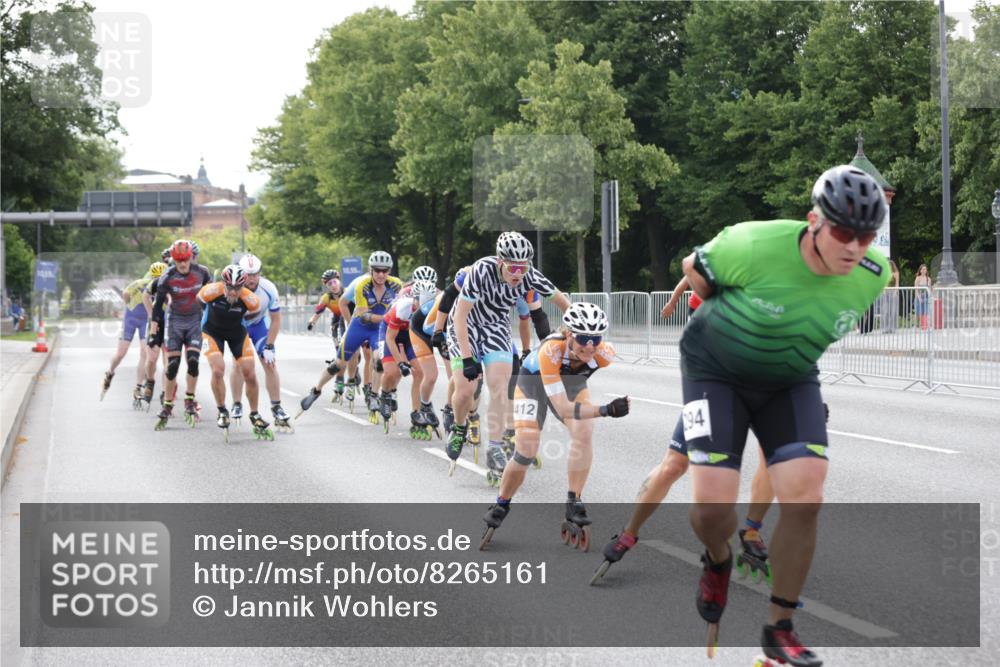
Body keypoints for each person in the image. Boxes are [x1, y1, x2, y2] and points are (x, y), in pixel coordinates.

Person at [679, 165, 890, 667]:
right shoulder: (752, 243)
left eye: (865, 236)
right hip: (714, 372)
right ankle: (718, 558)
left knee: (806, 495)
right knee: (712, 509)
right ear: (813, 220)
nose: (854, 247)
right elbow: (695, 269)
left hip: (789, 380)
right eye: (842, 232)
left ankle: (780, 626)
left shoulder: (874, 277)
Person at [479, 302, 629, 549]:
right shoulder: (551, 351)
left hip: (570, 383)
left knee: (584, 430)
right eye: (583, 338)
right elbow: (562, 408)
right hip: (532, 385)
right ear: (569, 334)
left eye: (595, 338)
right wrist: (606, 410)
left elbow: (572, 398)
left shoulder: (605, 354)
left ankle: (574, 500)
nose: (590, 346)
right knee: (527, 448)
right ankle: (501, 504)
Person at [445, 232, 570, 480]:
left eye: (522, 268)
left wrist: (574, 327)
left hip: (495, 327)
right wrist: (468, 359)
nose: (517, 274)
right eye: (513, 267)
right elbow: (460, 316)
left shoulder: (529, 276)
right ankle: (459, 427)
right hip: (465, 325)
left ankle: (494, 447)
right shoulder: (481, 270)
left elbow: (564, 304)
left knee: (500, 386)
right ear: (500, 262)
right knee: (466, 390)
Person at [298, 251, 404, 416]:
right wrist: (386, 317)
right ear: (371, 270)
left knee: (378, 360)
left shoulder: (396, 284)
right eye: (377, 270)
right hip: (359, 326)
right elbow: (364, 315)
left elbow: (402, 304)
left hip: (379, 329)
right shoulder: (362, 285)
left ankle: (374, 395)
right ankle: (316, 390)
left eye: (385, 271)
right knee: (339, 364)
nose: (381, 274)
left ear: (389, 271)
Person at [197, 265, 271, 439]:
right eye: (229, 287)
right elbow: (198, 301)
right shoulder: (210, 291)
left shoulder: (251, 299)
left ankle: (254, 414)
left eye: (237, 288)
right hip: (211, 332)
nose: (233, 292)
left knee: (250, 373)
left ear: (243, 287)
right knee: (217, 370)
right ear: (224, 284)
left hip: (237, 332)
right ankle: (222, 410)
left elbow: (253, 314)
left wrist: (238, 320)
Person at [150, 240, 212, 429]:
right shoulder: (167, 277)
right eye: (179, 260)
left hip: (194, 320)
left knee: (193, 361)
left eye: (185, 259)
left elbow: (212, 296)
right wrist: (154, 333)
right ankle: (168, 404)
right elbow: (157, 307)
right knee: (173, 366)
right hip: (175, 321)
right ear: (173, 259)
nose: (183, 264)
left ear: (190, 257)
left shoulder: (202, 272)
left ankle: (190, 400)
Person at [228, 254, 291, 430]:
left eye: (256, 274)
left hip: (258, 326)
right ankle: (237, 403)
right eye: (248, 275)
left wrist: (270, 345)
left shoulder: (268, 288)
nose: (252, 279)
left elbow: (276, 320)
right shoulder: (232, 289)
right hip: (237, 327)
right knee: (238, 364)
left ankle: (276, 406)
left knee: (270, 363)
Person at [101, 262, 167, 403]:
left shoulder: (166, 287)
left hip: (146, 321)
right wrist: (128, 304)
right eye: (155, 277)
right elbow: (125, 293)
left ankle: (138, 386)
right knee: (121, 353)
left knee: (144, 352)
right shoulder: (140, 283)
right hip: (131, 319)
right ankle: (110, 372)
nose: (156, 281)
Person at [879, 259, 900, 333]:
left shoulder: (896, 273)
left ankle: (893, 328)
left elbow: (897, 284)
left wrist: (895, 292)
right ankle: (884, 328)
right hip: (885, 292)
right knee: (885, 311)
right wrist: (884, 291)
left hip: (893, 292)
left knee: (893, 311)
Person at [914, 263, 932, 330]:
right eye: (923, 269)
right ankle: (916, 325)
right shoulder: (918, 278)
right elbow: (916, 289)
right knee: (918, 312)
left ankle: (924, 325)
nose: (924, 270)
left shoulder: (928, 279)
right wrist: (919, 298)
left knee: (925, 312)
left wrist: (930, 297)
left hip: (926, 298)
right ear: (920, 270)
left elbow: (929, 289)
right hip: (918, 297)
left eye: (925, 269)